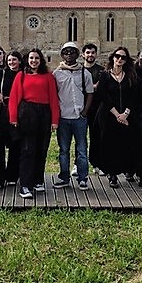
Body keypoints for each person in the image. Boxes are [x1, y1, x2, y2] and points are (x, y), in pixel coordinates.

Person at [97, 47, 142, 190]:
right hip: (109, 116)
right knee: (111, 145)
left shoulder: (130, 75)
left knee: (138, 143)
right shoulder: (104, 75)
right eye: (117, 56)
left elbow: (134, 96)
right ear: (113, 58)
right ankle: (112, 174)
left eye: (123, 57)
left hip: (129, 116)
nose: (119, 59)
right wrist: (117, 114)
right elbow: (103, 96)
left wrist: (125, 114)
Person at [8, 49, 60, 199]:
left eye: (36, 58)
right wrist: (13, 118)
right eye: (31, 58)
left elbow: (53, 99)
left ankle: (38, 180)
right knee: (27, 149)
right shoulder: (21, 75)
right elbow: (14, 97)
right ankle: (25, 185)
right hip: (27, 113)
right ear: (27, 60)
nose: (34, 61)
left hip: (44, 114)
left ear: (41, 60)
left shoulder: (48, 76)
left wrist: (55, 120)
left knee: (41, 148)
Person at [52, 42, 94, 191]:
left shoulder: (84, 73)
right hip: (63, 117)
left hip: (79, 118)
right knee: (63, 150)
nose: (69, 54)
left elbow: (90, 93)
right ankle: (64, 177)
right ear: (62, 55)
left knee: (82, 149)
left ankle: (83, 178)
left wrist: (85, 112)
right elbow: (53, 95)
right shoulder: (56, 74)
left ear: (77, 54)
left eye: (72, 52)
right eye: (66, 52)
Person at [0, 50, 22, 189]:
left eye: (14, 60)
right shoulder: (2, 73)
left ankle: (12, 176)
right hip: (3, 112)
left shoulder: (23, 74)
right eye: (9, 61)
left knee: (16, 146)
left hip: (19, 113)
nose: (11, 63)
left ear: (19, 61)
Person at [82, 43, 105, 175]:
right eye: (88, 52)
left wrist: (90, 86)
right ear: (83, 54)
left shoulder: (101, 70)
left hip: (96, 108)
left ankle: (97, 164)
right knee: (80, 138)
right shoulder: (78, 70)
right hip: (82, 107)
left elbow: (101, 87)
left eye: (92, 52)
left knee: (96, 136)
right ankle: (77, 164)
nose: (90, 55)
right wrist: (93, 86)